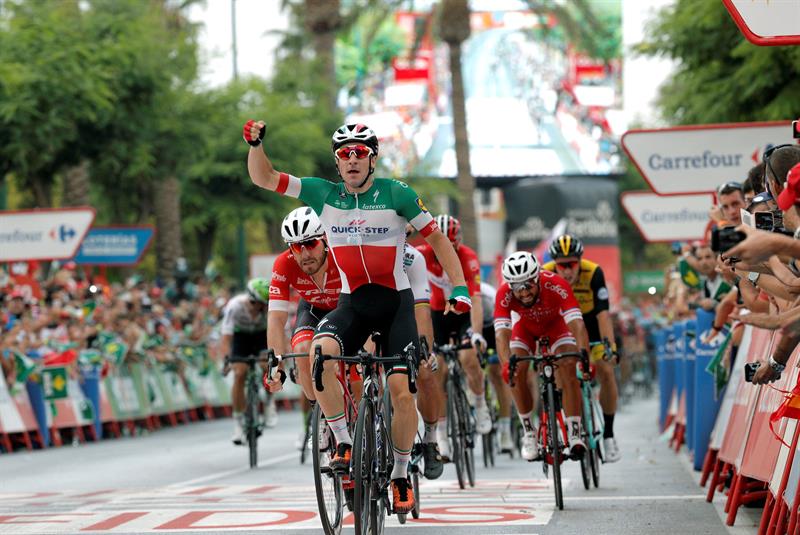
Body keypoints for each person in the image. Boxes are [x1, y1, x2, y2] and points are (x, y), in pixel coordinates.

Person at [244, 120, 471, 513]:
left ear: (372, 159)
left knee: (401, 392)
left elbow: (436, 239)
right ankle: (344, 441)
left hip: (396, 303)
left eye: (359, 153)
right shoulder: (322, 194)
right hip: (353, 304)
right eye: (344, 154)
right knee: (320, 353)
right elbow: (265, 177)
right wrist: (255, 144)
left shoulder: (396, 193)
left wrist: (460, 288)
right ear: (337, 161)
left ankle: (400, 473)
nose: (352, 159)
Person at [494, 251, 590, 461]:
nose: (524, 292)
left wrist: (584, 356)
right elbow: (502, 334)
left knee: (567, 364)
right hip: (525, 329)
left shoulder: (556, 283)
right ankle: (529, 432)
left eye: (528, 285)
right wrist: (505, 365)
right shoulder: (504, 294)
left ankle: (574, 432)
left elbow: (577, 325)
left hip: (556, 326)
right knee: (515, 371)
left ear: (537, 278)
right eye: (517, 288)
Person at [263, 207, 342, 451]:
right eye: (297, 246)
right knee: (303, 351)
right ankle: (319, 416)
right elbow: (276, 320)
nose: (305, 252)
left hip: (346, 308)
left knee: (359, 370)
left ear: (325, 240)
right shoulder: (284, 264)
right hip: (314, 309)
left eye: (310, 243)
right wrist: (275, 365)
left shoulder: (341, 255)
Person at [416, 214, 492, 461]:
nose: (444, 250)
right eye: (440, 244)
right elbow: (396, 247)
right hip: (437, 315)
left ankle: (480, 405)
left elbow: (477, 299)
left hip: (463, 314)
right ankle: (443, 436)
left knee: (469, 357)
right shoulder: (424, 253)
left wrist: (477, 333)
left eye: (451, 245)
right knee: (437, 371)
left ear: (458, 242)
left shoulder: (468, 258)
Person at [543, 234, 621, 462]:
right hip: (563, 328)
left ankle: (608, 434)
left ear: (580, 261)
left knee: (606, 371)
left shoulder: (594, 272)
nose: (567, 270)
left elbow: (603, 315)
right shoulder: (546, 273)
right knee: (560, 374)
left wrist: (611, 347)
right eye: (562, 265)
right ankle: (568, 424)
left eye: (572, 264)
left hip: (591, 326)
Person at [220, 278, 271, 444]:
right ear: (252, 300)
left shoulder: (267, 309)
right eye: (261, 304)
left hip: (261, 336)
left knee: (267, 366)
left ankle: (269, 404)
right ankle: (238, 422)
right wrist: (227, 359)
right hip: (240, 337)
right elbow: (226, 338)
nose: (264, 308)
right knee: (240, 373)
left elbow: (278, 333)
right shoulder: (234, 307)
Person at [480, 280, 515, 453]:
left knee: (498, 374)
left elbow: (503, 331)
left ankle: (505, 431)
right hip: (474, 331)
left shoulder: (488, 294)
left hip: (494, 329)